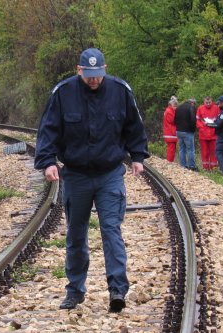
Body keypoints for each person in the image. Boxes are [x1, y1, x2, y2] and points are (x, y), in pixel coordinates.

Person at [35, 47, 149, 313]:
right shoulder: (63, 94)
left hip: (110, 174)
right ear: (79, 70)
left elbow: (134, 126)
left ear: (105, 69)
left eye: (98, 75)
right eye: (89, 75)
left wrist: (137, 156)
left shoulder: (120, 91)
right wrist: (48, 161)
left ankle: (117, 290)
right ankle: (75, 290)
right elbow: (48, 130)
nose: (94, 80)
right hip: (76, 175)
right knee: (76, 234)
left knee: (111, 230)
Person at [196, 96, 220, 170]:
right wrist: (202, 127)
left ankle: (214, 168)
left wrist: (215, 125)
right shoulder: (200, 108)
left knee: (213, 152)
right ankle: (205, 168)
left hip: (213, 134)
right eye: (206, 102)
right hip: (203, 134)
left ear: (212, 101)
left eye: (209, 102)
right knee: (204, 152)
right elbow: (197, 120)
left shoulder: (216, 108)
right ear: (204, 102)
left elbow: (219, 120)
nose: (208, 104)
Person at [174, 97, 197, 170]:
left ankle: (182, 165)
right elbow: (193, 120)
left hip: (178, 131)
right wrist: (193, 130)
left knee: (182, 149)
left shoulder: (179, 107)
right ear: (192, 103)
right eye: (194, 104)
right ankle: (191, 166)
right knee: (190, 149)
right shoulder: (191, 107)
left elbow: (175, 120)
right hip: (187, 131)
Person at [162, 96, 178, 162]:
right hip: (170, 133)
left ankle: (170, 162)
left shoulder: (169, 110)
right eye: (174, 106)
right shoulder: (169, 111)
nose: (176, 107)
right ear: (170, 105)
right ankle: (169, 162)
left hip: (170, 132)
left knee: (172, 148)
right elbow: (173, 121)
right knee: (171, 149)